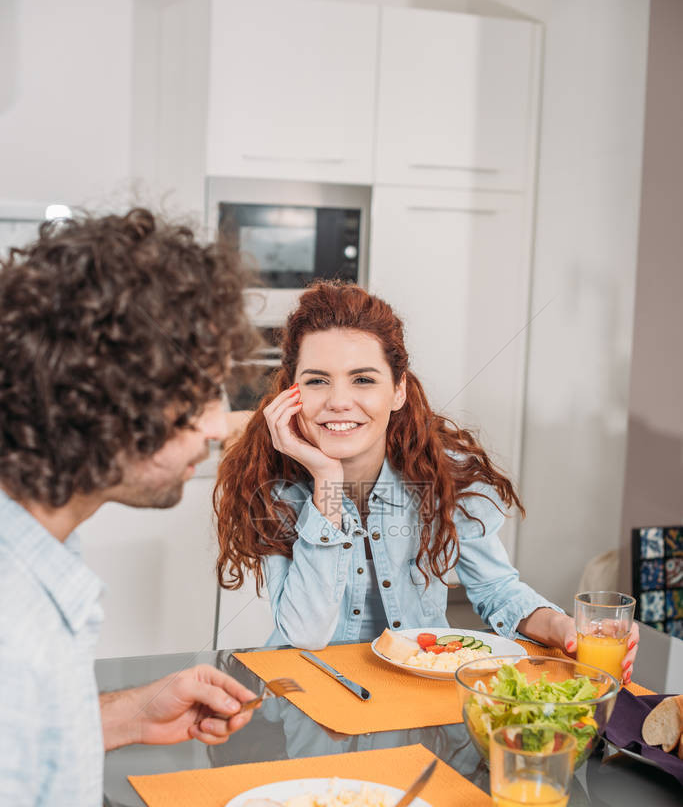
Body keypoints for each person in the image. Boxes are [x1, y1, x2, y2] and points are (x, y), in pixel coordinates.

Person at [0, 212, 376, 807]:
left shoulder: (28, 564)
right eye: (195, 391)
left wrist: (119, 714)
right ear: (105, 399)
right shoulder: (12, 632)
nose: (216, 421)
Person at [214, 281, 638, 680]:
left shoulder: (441, 474)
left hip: (421, 687)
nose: (339, 401)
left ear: (398, 390)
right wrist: (325, 478)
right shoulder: (276, 488)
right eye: (317, 381)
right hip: (312, 694)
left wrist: (564, 627)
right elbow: (304, 634)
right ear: (293, 392)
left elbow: (499, 592)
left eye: (363, 379)